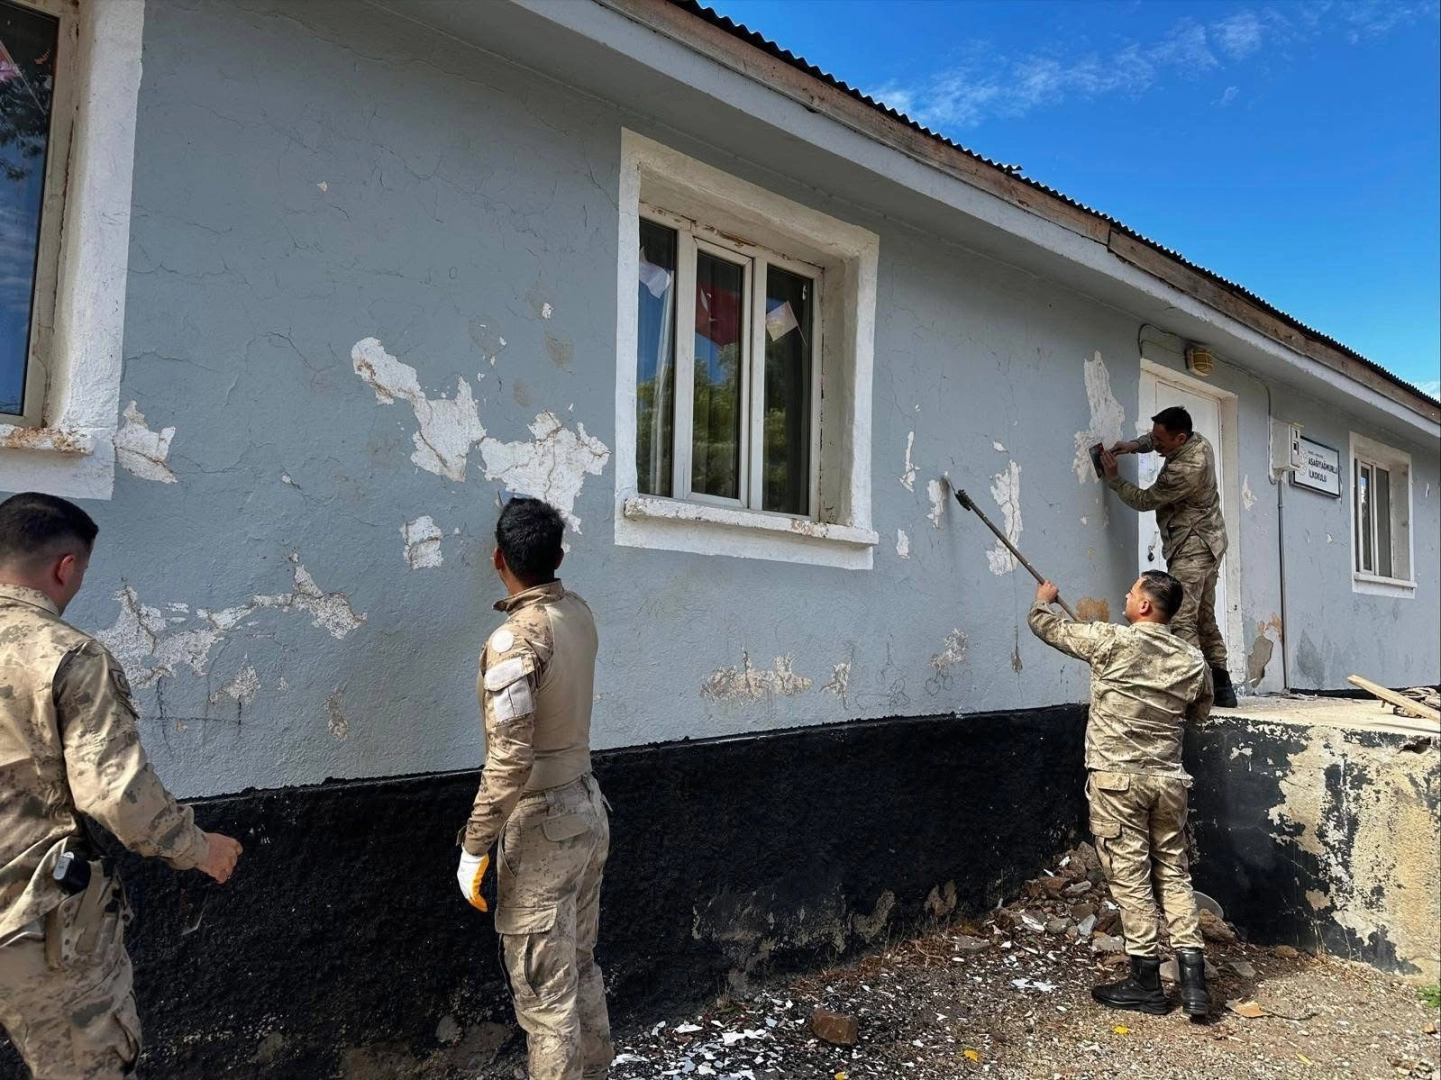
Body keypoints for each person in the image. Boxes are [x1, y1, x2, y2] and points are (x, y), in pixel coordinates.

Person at [0, 492, 243, 1078]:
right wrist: (200, 849)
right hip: (34, 920)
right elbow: (114, 793)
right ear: (66, 567)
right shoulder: (67, 656)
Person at [455, 495, 612, 1079]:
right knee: (581, 967)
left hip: (543, 826)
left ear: (499, 558)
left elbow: (509, 761)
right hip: (587, 807)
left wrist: (474, 847)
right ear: (559, 557)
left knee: (547, 999)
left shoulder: (515, 641)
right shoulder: (579, 613)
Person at [1028, 571, 1213, 1018]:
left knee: (1132, 879)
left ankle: (1146, 983)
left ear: (1145, 606)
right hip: (1168, 781)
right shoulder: (1192, 659)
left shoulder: (1111, 641)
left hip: (1118, 781)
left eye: (1131, 592)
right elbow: (1199, 711)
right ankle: (1194, 984)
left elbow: (1048, 629)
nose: (1126, 597)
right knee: (1174, 873)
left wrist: (1043, 600)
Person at [1102, 406, 1238, 707]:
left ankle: (1198, 692)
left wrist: (1114, 479)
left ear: (1180, 438)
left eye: (1160, 441)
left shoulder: (1187, 469)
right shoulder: (1197, 440)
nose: (1156, 444)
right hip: (1210, 541)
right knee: (1203, 615)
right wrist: (1134, 445)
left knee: (1180, 617)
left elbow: (1144, 499)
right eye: (1154, 437)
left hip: (1194, 546)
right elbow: (1155, 441)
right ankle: (1223, 687)